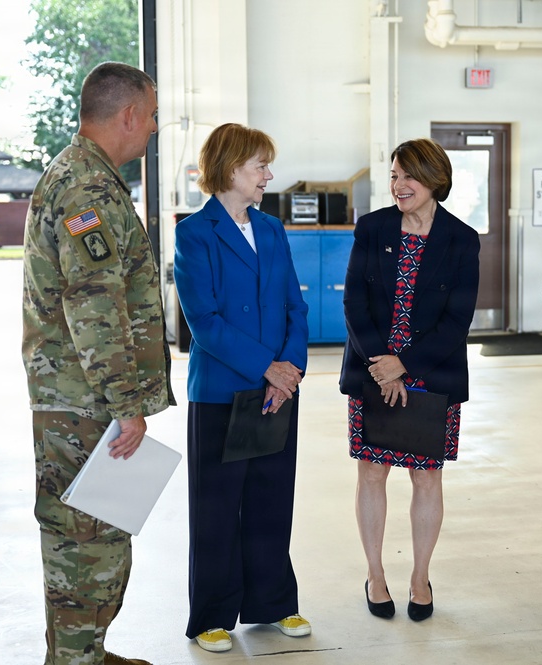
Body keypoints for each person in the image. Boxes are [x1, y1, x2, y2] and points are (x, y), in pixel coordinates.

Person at [22, 62, 175, 665]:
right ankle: (75, 660)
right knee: (86, 541)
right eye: (154, 115)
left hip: (82, 398)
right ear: (129, 116)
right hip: (85, 403)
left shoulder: (87, 175)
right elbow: (93, 304)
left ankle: (88, 652)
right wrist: (126, 405)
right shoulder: (86, 186)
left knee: (97, 532)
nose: (155, 129)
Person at [173, 123, 311, 653]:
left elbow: (294, 308)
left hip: (278, 391)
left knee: (272, 499)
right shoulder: (195, 234)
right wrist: (267, 368)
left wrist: (290, 368)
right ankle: (211, 615)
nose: (268, 176)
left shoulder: (272, 229)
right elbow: (204, 322)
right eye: (260, 166)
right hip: (222, 393)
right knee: (217, 507)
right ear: (231, 170)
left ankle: (273, 602)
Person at [339, 138, 480, 623]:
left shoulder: (461, 239)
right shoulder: (372, 227)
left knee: (427, 476)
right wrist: (383, 363)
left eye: (408, 176)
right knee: (372, 473)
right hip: (372, 371)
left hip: (429, 375)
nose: (399, 186)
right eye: (394, 176)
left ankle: (420, 576)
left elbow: (457, 320)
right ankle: (376, 576)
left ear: (434, 178)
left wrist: (406, 366)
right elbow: (353, 303)